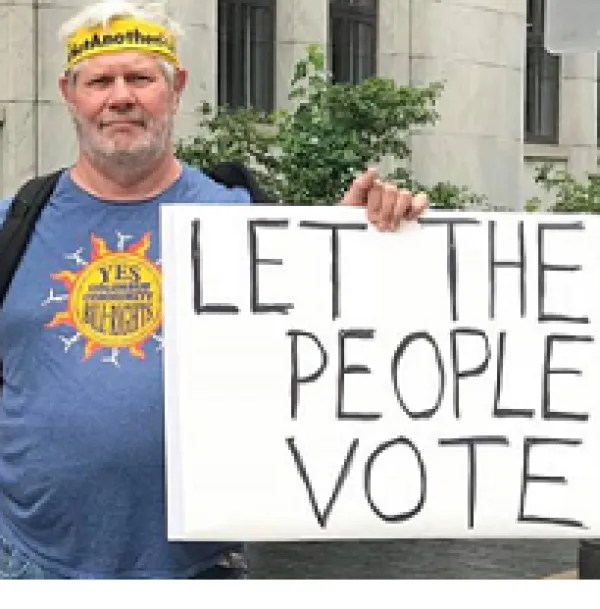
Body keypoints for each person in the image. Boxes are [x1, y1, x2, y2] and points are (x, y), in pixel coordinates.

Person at [0, 0, 428, 579]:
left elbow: (335, 361)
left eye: (140, 78)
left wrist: (358, 245)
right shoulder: (13, 225)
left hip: (201, 572)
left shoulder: (247, 223)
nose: (120, 96)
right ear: (70, 93)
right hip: (30, 567)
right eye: (100, 79)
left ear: (175, 89)